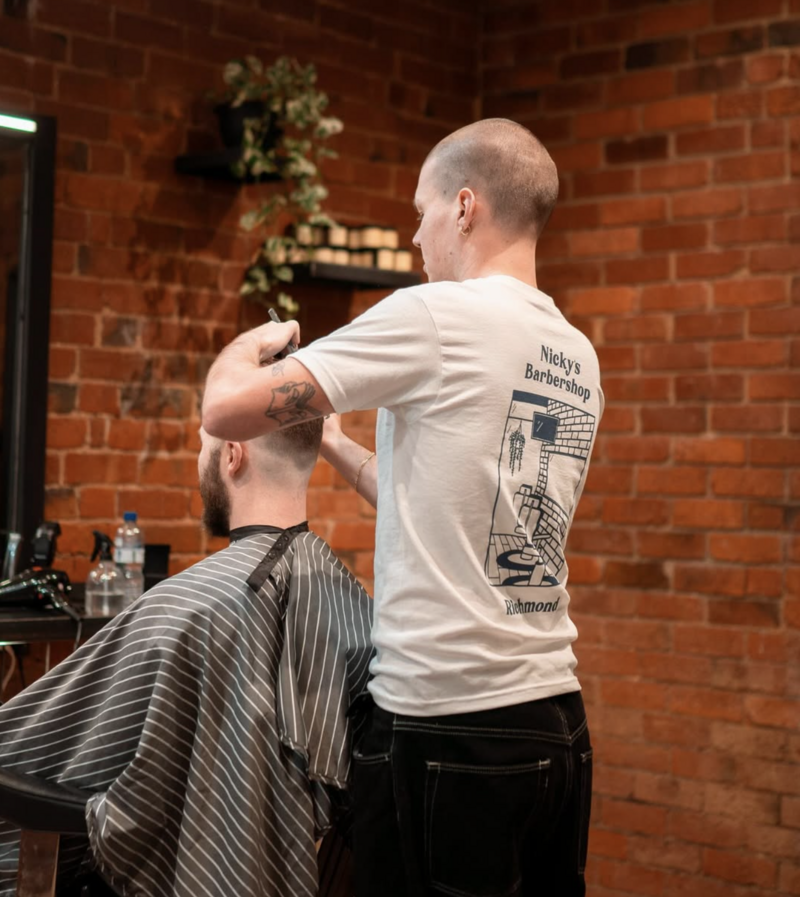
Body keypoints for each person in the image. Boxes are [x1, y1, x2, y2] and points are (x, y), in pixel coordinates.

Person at [202, 118, 604, 896]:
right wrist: (340, 447)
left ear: (464, 206)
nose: (416, 239)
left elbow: (226, 411)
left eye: (419, 213)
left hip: (449, 727)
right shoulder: (573, 352)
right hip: (553, 724)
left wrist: (256, 343)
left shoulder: (435, 316)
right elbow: (461, 506)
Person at [0, 419, 373, 897]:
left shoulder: (187, 608)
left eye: (203, 446)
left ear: (232, 455)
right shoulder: (346, 597)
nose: (202, 460)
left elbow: (35, 758)